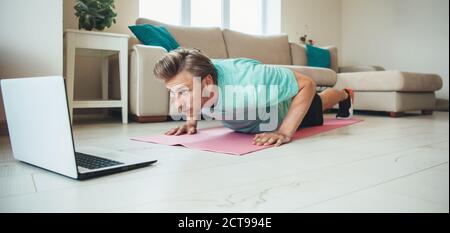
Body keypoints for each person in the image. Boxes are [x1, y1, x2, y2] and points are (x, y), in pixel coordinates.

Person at [153, 48, 354, 147]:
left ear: (207, 83)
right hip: (245, 120)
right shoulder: (194, 76)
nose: (177, 105)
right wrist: (190, 121)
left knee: (320, 101)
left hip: (284, 110)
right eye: (173, 93)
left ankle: (345, 94)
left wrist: (284, 131)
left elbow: (307, 84)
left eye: (182, 93)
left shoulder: (251, 79)